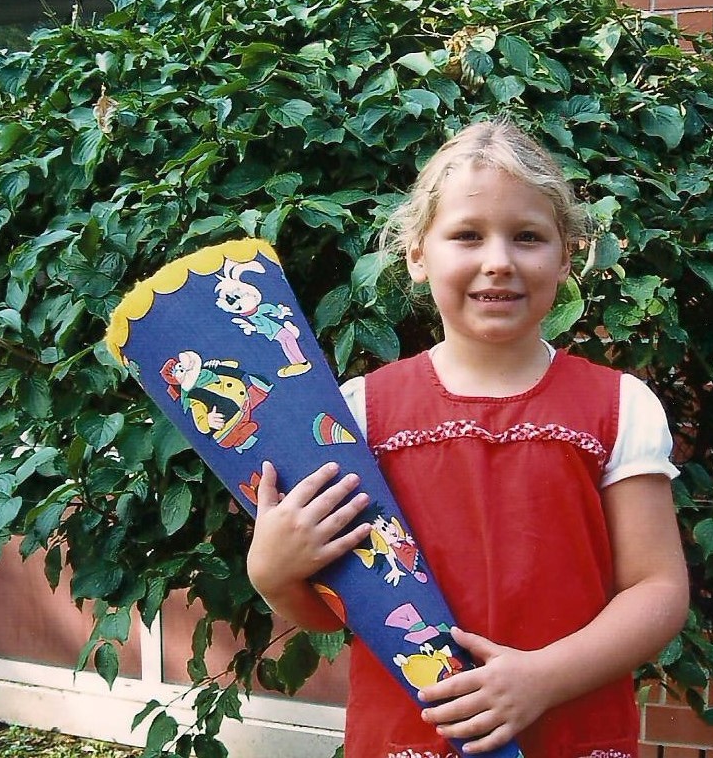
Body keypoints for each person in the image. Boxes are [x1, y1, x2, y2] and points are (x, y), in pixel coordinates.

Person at [246, 117, 690, 758]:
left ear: (566, 257)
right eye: (467, 235)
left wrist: (542, 679)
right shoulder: (357, 414)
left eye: (528, 236)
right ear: (417, 255)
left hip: (570, 731)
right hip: (409, 735)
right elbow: (337, 609)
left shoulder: (621, 406)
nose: (499, 262)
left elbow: (658, 589)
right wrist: (272, 573)